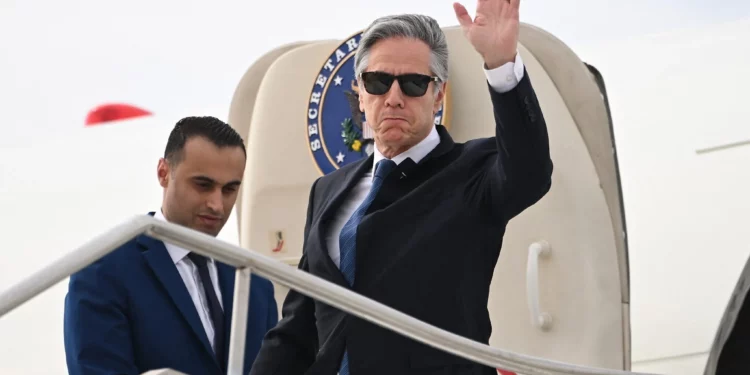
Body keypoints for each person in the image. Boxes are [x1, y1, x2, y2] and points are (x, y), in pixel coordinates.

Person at [250, 0, 552, 374]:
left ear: (437, 94)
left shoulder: (472, 172)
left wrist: (502, 65)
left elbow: (530, 172)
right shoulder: (327, 190)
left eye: (413, 83)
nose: (393, 98)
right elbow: (298, 327)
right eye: (378, 82)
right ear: (360, 94)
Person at [63, 116, 278, 375]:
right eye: (203, 185)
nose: (217, 204)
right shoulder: (103, 271)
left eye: (230, 189)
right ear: (163, 173)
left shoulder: (256, 287)